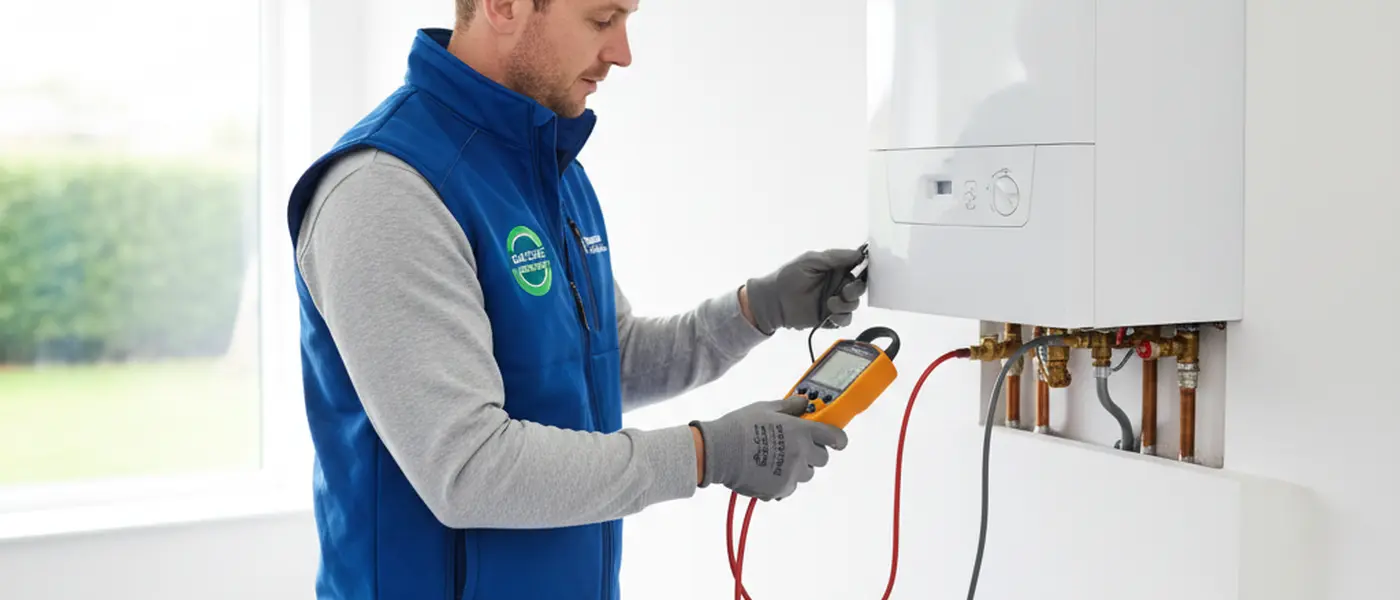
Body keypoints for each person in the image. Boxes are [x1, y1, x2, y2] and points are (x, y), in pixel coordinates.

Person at [284, 1, 868, 598]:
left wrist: (755, 310)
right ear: (504, 7)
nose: (623, 53)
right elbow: (467, 470)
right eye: (601, 19)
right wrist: (704, 453)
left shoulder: (551, 171)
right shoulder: (386, 191)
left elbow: (605, 365)